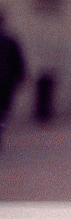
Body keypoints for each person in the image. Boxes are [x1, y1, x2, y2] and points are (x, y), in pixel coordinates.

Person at [0, 11, 26, 149]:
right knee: (4, 109)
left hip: (6, 80)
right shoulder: (10, 40)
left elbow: (18, 60)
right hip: (6, 81)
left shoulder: (10, 40)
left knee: (3, 109)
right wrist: (21, 78)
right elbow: (19, 61)